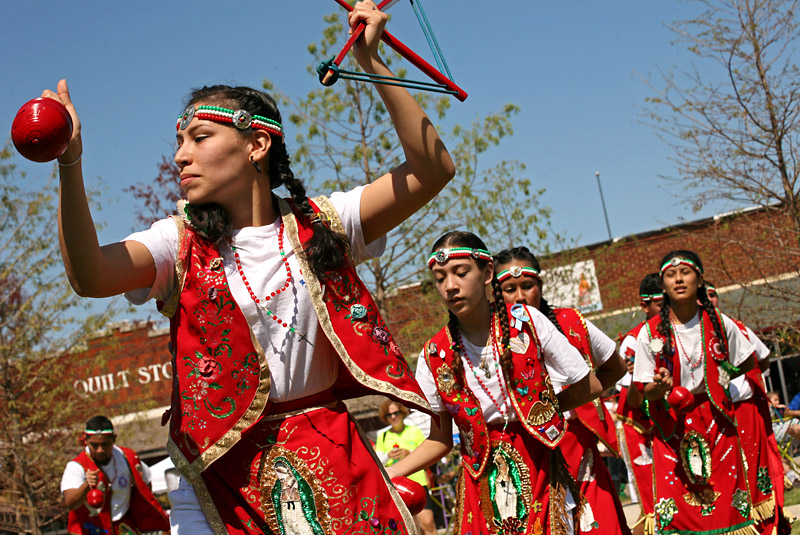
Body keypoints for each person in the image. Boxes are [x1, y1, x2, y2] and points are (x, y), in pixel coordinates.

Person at [47, 3, 455, 533]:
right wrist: (69, 163)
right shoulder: (177, 242)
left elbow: (432, 169)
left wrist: (370, 61)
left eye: (199, 138)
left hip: (337, 455)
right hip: (225, 477)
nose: (179, 157)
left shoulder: (324, 223)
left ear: (256, 145)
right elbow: (91, 276)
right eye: (179, 142)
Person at [387, 231, 603, 535]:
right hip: (480, 482)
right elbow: (441, 439)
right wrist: (390, 473)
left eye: (461, 273)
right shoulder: (434, 354)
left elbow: (589, 385)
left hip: (541, 466)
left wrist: (545, 413)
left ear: (487, 273)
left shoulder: (527, 322)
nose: (450, 286)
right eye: (439, 278)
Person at [493, 246, 630, 535]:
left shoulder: (571, 322)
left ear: (540, 286)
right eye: (509, 289)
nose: (520, 296)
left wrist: (561, 402)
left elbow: (615, 368)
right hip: (529, 452)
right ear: (496, 293)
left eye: (527, 286)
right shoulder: (490, 337)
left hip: (578, 448)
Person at [632, 250, 758, 535]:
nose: (678, 279)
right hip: (672, 426)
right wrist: (659, 388)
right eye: (670, 275)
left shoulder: (720, 323)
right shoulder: (649, 333)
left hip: (716, 421)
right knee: (680, 515)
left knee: (727, 508)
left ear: (699, 279)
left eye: (685, 273)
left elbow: (748, 362)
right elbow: (644, 391)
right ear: (663, 285)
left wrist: (721, 376)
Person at [705, 283, 791, 535]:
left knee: (755, 470)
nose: (709, 299)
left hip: (744, 411)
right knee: (724, 475)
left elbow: (760, 356)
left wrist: (734, 374)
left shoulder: (735, 326)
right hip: (713, 415)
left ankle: (766, 525)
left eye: (713, 294)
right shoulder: (689, 333)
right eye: (704, 295)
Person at [61, 416, 169, 535]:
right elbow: (70, 504)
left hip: (124, 526)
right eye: (94, 445)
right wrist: (86, 485)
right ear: (85, 440)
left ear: (114, 439)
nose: (100, 450)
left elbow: (146, 484)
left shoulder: (128, 458)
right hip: (91, 529)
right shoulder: (77, 466)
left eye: (105, 444)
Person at [614, 273, 662, 535]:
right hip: (639, 424)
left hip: (669, 419)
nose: (666, 310)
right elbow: (631, 395)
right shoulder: (633, 339)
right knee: (649, 488)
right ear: (645, 306)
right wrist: (637, 374)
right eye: (660, 305)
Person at [374, 400, 436, 535]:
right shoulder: (383, 436)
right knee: (409, 528)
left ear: (402, 413)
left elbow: (427, 454)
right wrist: (388, 455)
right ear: (386, 418)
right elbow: (377, 461)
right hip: (395, 486)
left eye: (396, 413)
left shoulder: (414, 431)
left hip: (417, 482)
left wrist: (410, 453)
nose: (394, 417)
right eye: (389, 415)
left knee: (427, 523)